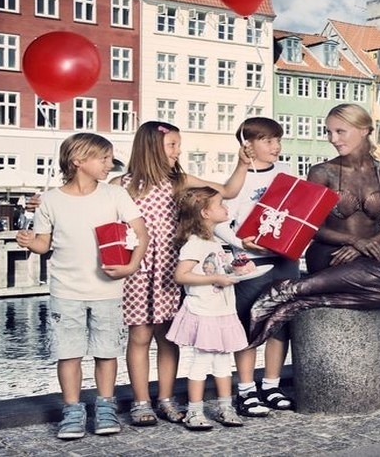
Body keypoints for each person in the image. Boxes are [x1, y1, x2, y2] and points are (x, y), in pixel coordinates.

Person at [111, 120, 246, 426]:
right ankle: (140, 401)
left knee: (167, 338)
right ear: (151, 147)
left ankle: (166, 399)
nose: (178, 150)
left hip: (171, 267)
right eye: (172, 145)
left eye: (177, 145)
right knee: (139, 335)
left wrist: (241, 164)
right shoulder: (121, 186)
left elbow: (226, 191)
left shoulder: (178, 181)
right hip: (138, 268)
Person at [15, 133, 149, 439]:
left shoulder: (115, 195)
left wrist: (132, 265)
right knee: (69, 353)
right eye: (103, 158)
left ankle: (105, 408)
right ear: (78, 161)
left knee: (106, 352)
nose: (109, 164)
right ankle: (73, 411)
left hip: (108, 290)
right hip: (66, 291)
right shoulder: (50, 199)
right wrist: (28, 241)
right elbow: (43, 245)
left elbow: (141, 234)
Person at [248, 103, 380, 347]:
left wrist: (361, 247)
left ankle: (298, 297)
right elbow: (311, 227)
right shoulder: (322, 171)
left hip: (364, 260)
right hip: (329, 256)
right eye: (329, 132)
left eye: (340, 131)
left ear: (364, 129)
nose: (333, 139)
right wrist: (354, 241)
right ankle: (288, 290)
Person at [214, 117, 300, 416]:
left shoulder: (287, 172)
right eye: (268, 140)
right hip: (252, 262)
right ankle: (247, 389)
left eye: (278, 140)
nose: (276, 146)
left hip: (286, 259)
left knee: (279, 325)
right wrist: (240, 242)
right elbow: (219, 220)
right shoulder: (239, 179)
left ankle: (272, 385)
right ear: (247, 145)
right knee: (249, 326)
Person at [166, 187, 249, 431]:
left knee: (224, 362)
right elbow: (181, 275)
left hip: (222, 311)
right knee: (200, 362)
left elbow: (215, 270)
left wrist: (235, 272)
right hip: (204, 312)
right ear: (205, 213)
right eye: (221, 204)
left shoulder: (214, 241)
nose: (226, 209)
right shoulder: (195, 243)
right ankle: (194, 411)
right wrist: (217, 280)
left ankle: (226, 407)